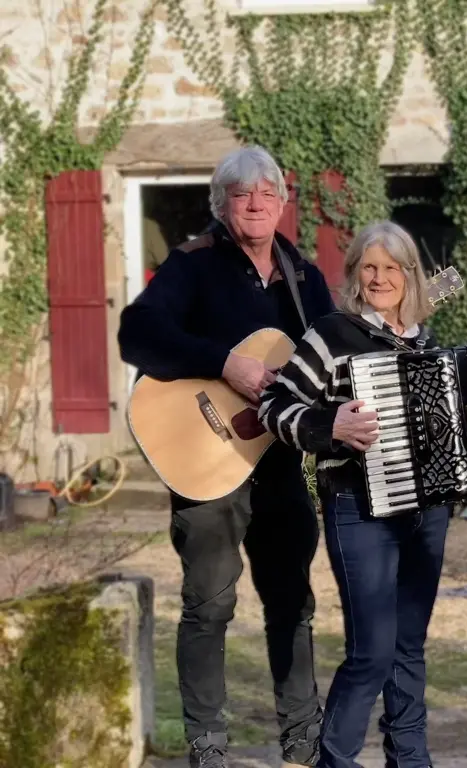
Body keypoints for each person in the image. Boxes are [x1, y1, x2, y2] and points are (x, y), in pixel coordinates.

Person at [259, 220, 467, 768]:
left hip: (427, 513)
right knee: (371, 651)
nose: (379, 278)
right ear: (354, 275)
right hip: (358, 509)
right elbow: (272, 407)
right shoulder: (331, 334)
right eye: (369, 267)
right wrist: (331, 427)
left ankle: (411, 759)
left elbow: (455, 428)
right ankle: (336, 760)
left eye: (391, 268)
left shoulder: (424, 342)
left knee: (408, 650)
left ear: (410, 275)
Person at [118, 146, 334, 768]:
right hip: (205, 462)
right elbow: (138, 333)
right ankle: (207, 745)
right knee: (209, 606)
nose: (257, 202)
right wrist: (223, 364)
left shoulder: (305, 279)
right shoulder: (193, 265)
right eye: (243, 194)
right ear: (223, 204)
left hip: (278, 466)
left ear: (282, 203)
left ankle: (302, 737)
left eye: (268, 192)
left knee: (292, 603)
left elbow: (336, 360)